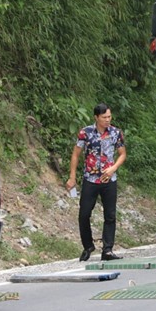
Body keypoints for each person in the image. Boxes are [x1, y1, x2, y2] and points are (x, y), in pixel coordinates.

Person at [66, 103, 127, 262]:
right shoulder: (85, 133)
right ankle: (88, 246)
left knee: (110, 215)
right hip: (90, 179)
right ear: (96, 117)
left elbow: (122, 154)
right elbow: (75, 155)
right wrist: (72, 177)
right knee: (84, 214)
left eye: (109, 117)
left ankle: (107, 250)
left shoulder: (115, 133)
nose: (107, 120)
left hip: (109, 179)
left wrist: (113, 168)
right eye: (104, 117)